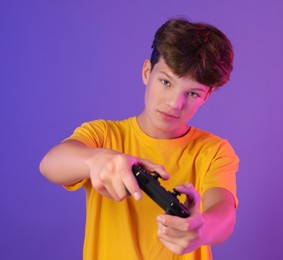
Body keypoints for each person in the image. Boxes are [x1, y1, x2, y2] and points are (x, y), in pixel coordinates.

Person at [40, 18, 239, 259]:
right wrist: (97, 160)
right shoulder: (103, 135)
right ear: (147, 72)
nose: (174, 103)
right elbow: (50, 164)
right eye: (166, 82)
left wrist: (203, 229)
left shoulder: (214, 150)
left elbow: (225, 214)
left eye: (193, 93)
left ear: (207, 95)